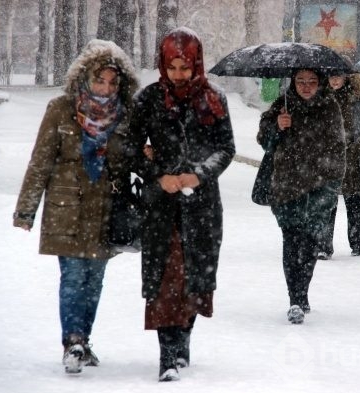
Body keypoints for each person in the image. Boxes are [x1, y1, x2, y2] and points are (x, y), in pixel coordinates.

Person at [12, 39, 139, 373]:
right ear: (84, 77)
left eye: (112, 81)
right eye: (100, 79)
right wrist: (26, 210)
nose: (106, 87)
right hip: (66, 206)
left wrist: (145, 157)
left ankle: (84, 340)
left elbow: (129, 161)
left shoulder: (125, 116)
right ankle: (73, 342)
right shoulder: (60, 108)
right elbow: (40, 162)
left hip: (106, 210)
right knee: (72, 277)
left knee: (94, 282)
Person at [127, 27, 235, 382]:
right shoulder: (149, 99)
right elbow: (129, 148)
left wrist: (198, 175)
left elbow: (226, 148)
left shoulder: (214, 99)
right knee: (165, 279)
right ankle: (168, 355)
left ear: (195, 64)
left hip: (202, 207)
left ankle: (183, 339)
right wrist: (158, 175)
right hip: (161, 207)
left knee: (195, 278)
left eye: (184, 68)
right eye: (172, 67)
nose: (178, 75)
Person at [258, 68, 345, 324]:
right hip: (287, 186)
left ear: (320, 84)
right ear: (292, 82)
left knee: (309, 246)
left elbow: (339, 148)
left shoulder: (330, 107)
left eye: (312, 82)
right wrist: (277, 126)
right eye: (300, 81)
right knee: (291, 241)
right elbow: (264, 139)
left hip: (320, 188)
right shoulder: (281, 105)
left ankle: (303, 291)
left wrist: (330, 183)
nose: (306, 86)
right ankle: (294, 299)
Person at [317, 71, 360, 259]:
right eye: (331, 76)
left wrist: (355, 146)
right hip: (327, 161)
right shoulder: (320, 101)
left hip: (354, 162)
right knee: (326, 204)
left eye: (338, 75)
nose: (334, 80)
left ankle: (359, 245)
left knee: (355, 204)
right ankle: (322, 246)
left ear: (347, 77)